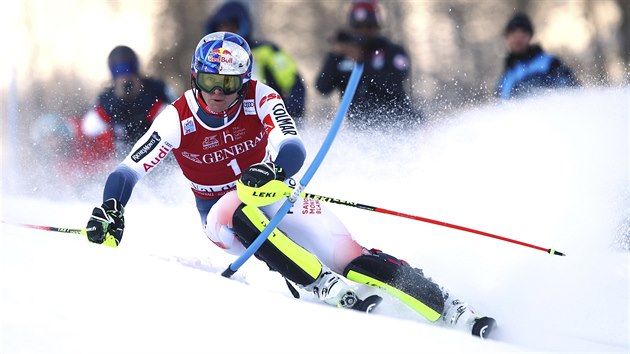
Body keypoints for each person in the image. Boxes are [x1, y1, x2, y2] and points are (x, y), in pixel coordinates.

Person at [84, 31, 495, 338]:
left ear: (243, 81)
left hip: (275, 190)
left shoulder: (260, 97)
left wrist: (276, 170)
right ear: (196, 76)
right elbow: (127, 170)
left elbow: (293, 145)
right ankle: (318, 281)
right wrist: (112, 208)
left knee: (349, 253)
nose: (218, 93)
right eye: (210, 80)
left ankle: (446, 305)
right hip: (220, 216)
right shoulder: (178, 117)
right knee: (233, 206)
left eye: (229, 84)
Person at [315, 0, 420, 129]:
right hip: (360, 132)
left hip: (399, 126)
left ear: (377, 26)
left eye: (369, 26)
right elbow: (323, 88)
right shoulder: (341, 56)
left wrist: (362, 62)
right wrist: (334, 57)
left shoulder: (393, 52)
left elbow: (393, 82)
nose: (363, 31)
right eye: (358, 26)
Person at [204, 1, 306, 124]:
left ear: (242, 26)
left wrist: (289, 116)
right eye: (221, 27)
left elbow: (295, 84)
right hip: (227, 125)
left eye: (231, 26)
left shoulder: (266, 51)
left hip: (267, 120)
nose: (226, 31)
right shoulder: (209, 57)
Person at [80, 45, 176, 160]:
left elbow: (175, 119)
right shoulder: (107, 98)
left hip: (163, 155)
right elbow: (89, 128)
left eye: (127, 68)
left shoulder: (157, 89)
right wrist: (116, 102)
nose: (124, 76)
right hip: (125, 159)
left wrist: (144, 101)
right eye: (117, 70)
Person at [495, 13, 580, 100]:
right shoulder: (506, 77)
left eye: (523, 33)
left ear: (530, 36)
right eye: (513, 33)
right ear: (507, 38)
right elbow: (501, 107)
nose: (518, 38)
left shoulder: (549, 63)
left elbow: (573, 92)